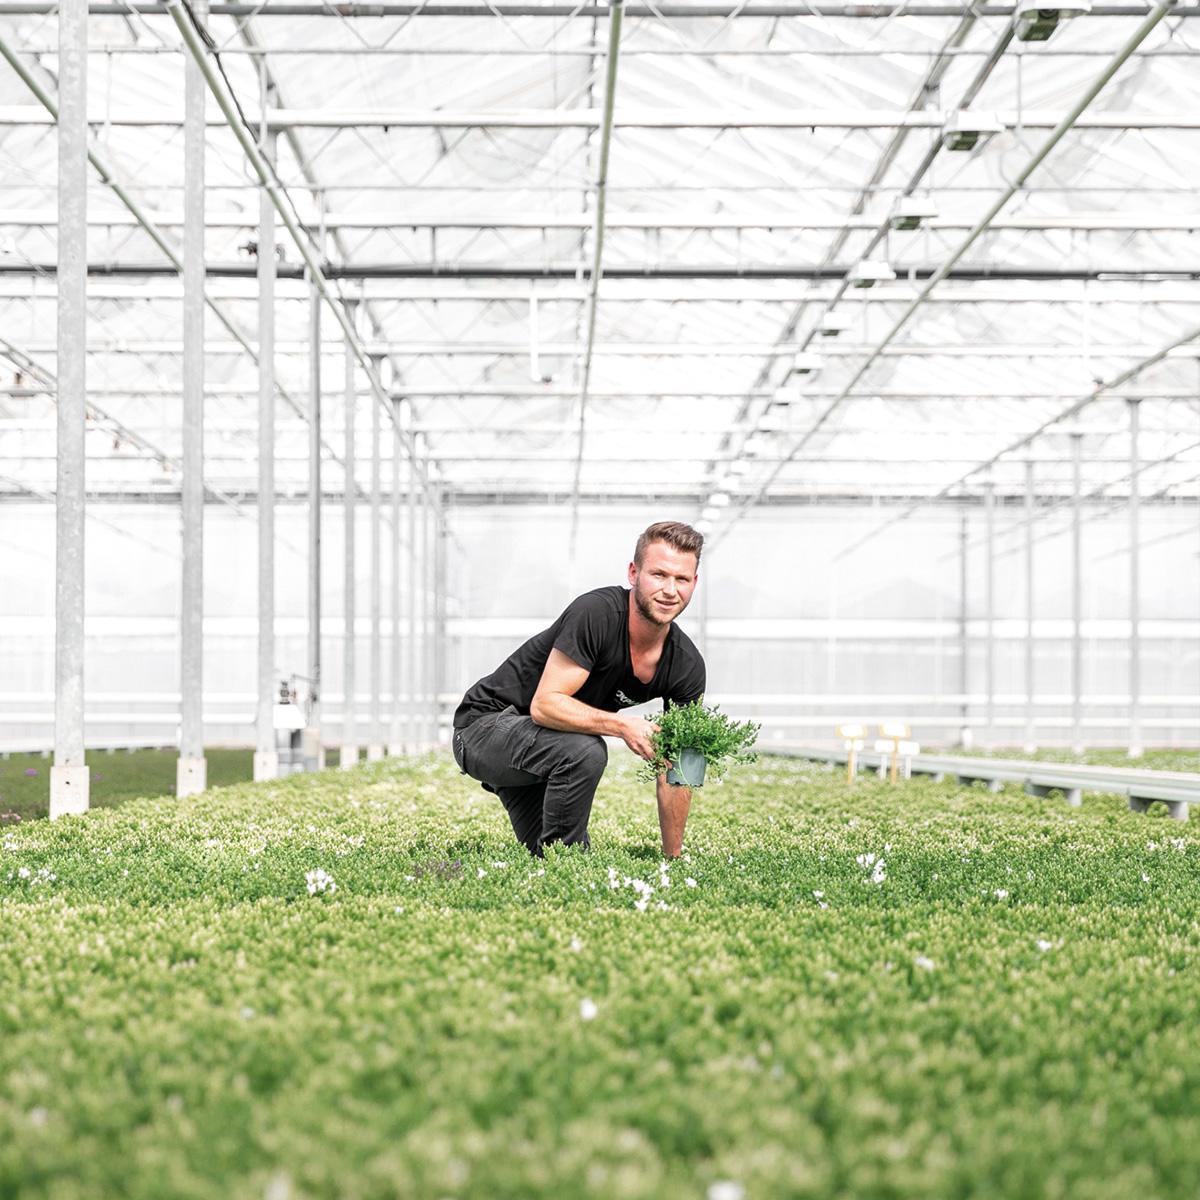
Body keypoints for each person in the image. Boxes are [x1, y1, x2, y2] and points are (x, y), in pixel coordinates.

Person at [452, 521, 706, 858]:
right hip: (485, 727)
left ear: (694, 583)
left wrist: (672, 860)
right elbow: (544, 705)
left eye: (682, 579)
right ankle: (566, 862)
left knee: (548, 856)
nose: (670, 590)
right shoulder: (596, 613)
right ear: (634, 573)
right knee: (585, 752)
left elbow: (681, 769)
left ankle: (561, 858)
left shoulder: (687, 667)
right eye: (658, 575)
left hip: (544, 751)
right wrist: (622, 725)